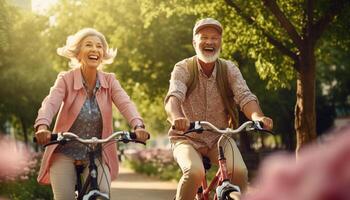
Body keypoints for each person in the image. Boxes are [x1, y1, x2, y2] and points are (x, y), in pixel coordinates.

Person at [34, 28, 150, 200]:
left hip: (96, 154)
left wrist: (138, 125)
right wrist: (43, 126)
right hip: (64, 152)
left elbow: (126, 103)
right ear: (78, 53)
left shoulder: (110, 81)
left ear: (102, 54)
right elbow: (50, 103)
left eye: (99, 46)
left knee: (102, 193)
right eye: (88, 45)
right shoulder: (65, 79)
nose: (95, 49)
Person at [164, 18, 273, 200]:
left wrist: (257, 117)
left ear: (220, 42)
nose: (209, 42)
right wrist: (177, 117)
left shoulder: (229, 69)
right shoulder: (183, 68)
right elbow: (173, 97)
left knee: (239, 171)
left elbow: (245, 97)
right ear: (194, 42)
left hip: (220, 137)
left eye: (214, 38)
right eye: (204, 37)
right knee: (194, 172)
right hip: (186, 137)